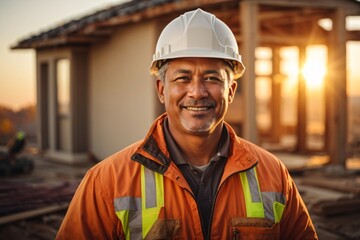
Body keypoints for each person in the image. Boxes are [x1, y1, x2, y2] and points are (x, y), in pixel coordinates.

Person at [56, 8, 318, 240]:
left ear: (230, 90)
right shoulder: (106, 182)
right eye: (182, 78)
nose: (197, 92)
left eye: (211, 78)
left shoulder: (273, 175)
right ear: (161, 89)